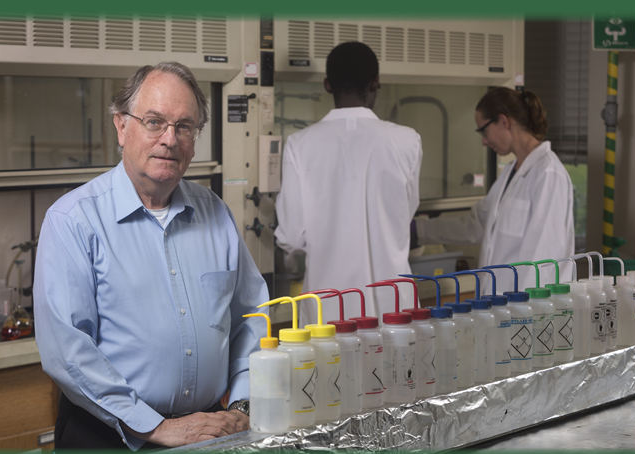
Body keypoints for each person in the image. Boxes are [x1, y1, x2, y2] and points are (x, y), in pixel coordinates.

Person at [34, 61, 267, 451]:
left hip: (209, 434)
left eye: (184, 126)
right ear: (122, 127)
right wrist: (155, 427)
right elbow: (67, 352)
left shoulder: (215, 213)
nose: (170, 139)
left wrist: (243, 403)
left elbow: (251, 318)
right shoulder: (73, 220)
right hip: (109, 436)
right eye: (154, 122)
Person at [274, 41, 423, 325]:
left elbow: (291, 237)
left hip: (329, 313)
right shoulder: (408, 140)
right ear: (375, 83)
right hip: (395, 311)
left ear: (328, 85)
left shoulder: (299, 145)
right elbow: (406, 212)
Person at [413, 87, 575, 293]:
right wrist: (419, 231)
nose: (484, 141)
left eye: (483, 130)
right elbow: (476, 225)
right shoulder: (509, 173)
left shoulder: (548, 174)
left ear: (504, 121)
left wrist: (521, 315)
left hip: (526, 310)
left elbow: (542, 257)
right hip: (499, 307)